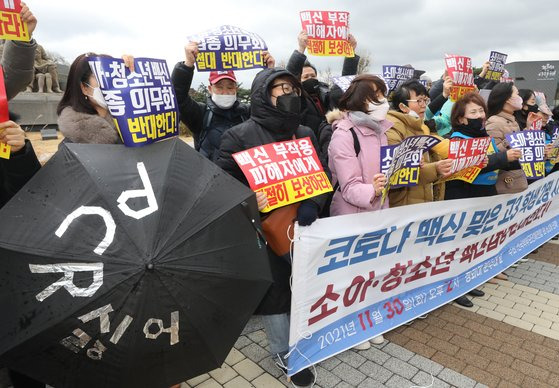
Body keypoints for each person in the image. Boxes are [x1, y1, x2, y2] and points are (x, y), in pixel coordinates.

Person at [217, 67, 325, 387]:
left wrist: (313, 203)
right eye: (279, 88)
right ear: (264, 94)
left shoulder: (304, 132)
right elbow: (220, 187)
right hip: (262, 230)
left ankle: (304, 337)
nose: (288, 94)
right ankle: (282, 350)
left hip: (303, 227)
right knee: (276, 291)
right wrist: (251, 199)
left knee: (302, 285)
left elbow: (321, 175)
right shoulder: (238, 136)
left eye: (292, 88)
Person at [326, 74, 391, 349]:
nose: (384, 101)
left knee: (372, 271)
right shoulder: (344, 135)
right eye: (377, 95)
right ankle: (350, 326)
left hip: (378, 211)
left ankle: (368, 321)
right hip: (351, 215)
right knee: (351, 275)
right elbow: (349, 186)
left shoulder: (382, 130)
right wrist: (372, 190)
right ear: (362, 100)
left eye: (383, 94)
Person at [444, 92, 522, 307]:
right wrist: (502, 157)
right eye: (473, 112)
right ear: (461, 118)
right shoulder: (457, 139)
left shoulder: (484, 138)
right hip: (463, 196)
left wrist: (515, 158)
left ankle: (468, 281)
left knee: (475, 242)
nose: (479, 116)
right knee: (459, 244)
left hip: (486, 195)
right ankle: (454, 287)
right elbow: (472, 165)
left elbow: (498, 162)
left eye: (481, 111)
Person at [171, 42, 274, 161]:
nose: (225, 92)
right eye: (219, 87)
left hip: (243, 178)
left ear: (236, 89)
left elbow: (268, 104)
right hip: (210, 177)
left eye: (230, 87)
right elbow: (177, 98)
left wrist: (269, 73)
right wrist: (187, 65)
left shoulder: (248, 112)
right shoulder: (201, 114)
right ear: (210, 89)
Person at [385, 80, 453, 207]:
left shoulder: (423, 127)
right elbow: (398, 173)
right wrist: (435, 168)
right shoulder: (393, 129)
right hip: (405, 205)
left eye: (425, 101)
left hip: (425, 201)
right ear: (402, 107)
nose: (424, 106)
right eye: (419, 101)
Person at [286, 31, 360, 135]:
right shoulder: (297, 98)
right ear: (299, 80)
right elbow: (289, 79)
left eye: (313, 76)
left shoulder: (326, 94)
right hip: (309, 143)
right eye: (305, 77)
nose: (310, 78)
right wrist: (301, 50)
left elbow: (344, 82)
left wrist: (350, 52)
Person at [56, 53, 122, 145]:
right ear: (84, 87)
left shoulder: (128, 121)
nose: (110, 83)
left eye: (114, 76)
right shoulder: (72, 146)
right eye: (101, 77)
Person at [486, 83, 535, 195]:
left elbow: (520, 146)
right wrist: (511, 139)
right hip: (507, 183)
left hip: (518, 177)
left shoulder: (512, 119)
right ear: (507, 99)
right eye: (517, 94)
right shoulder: (494, 122)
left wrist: (527, 128)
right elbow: (494, 154)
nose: (520, 98)